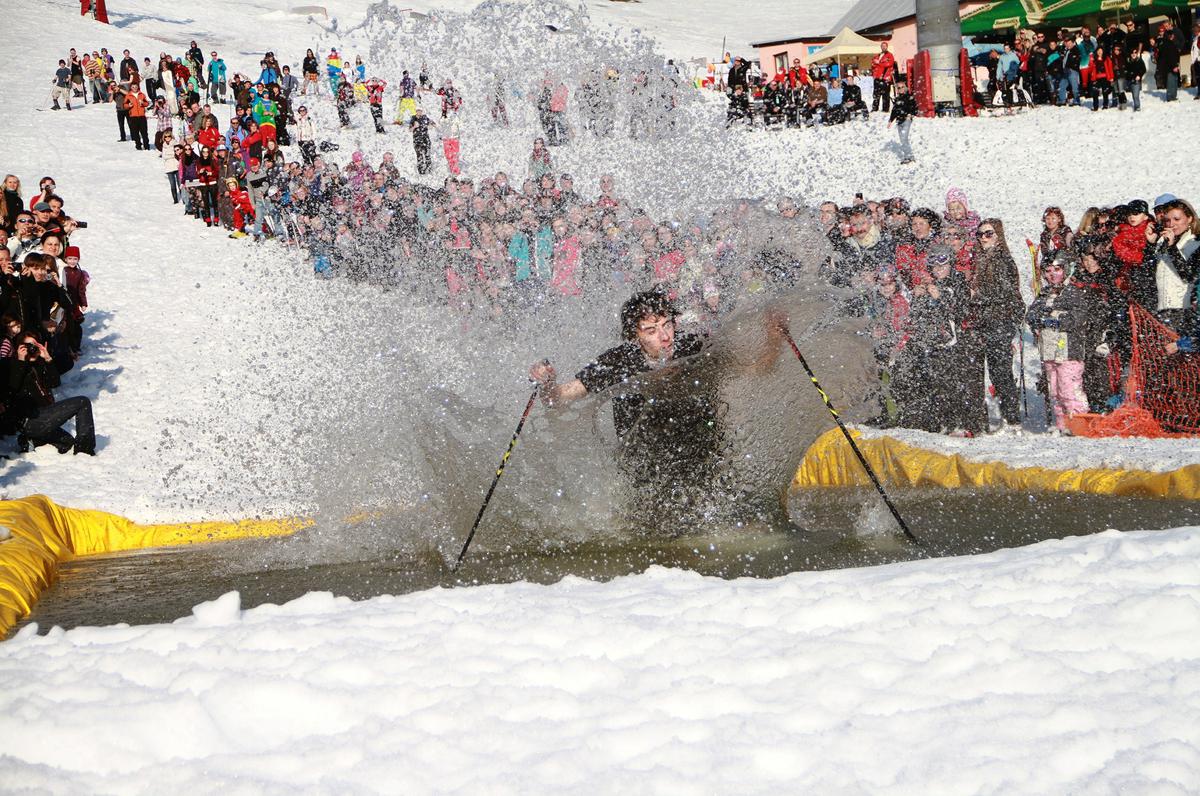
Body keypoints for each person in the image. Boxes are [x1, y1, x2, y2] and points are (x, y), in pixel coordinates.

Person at [528, 291, 776, 523]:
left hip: (700, 452)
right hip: (645, 460)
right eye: (651, 331)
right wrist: (547, 383)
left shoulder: (696, 347)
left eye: (667, 325)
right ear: (634, 337)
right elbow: (557, 400)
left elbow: (756, 369)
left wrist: (774, 336)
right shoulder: (619, 361)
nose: (665, 337)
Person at [966, 218, 1025, 432]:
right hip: (987, 320)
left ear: (998, 235)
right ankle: (1006, 416)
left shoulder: (1002, 259)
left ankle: (1012, 419)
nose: (983, 238)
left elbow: (1006, 293)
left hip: (999, 320)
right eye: (980, 234)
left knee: (1001, 372)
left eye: (988, 233)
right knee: (996, 372)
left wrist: (977, 296)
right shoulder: (982, 258)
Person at [0, 333, 96, 455]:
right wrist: (20, 360)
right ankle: (85, 450)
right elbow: (12, 389)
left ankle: (32, 440)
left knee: (67, 442)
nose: (32, 349)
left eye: (35, 345)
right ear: (19, 346)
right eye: (28, 345)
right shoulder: (10, 364)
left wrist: (48, 359)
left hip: (43, 417)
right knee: (82, 402)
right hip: (28, 419)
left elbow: (54, 382)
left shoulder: (38, 364)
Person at [1026, 251, 1089, 433]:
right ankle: (1062, 424)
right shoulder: (1045, 293)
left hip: (1068, 349)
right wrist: (1040, 319)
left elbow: (1079, 316)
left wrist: (1057, 319)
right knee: (1054, 390)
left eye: (1057, 269)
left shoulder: (1073, 292)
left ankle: (1077, 424)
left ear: (1066, 270)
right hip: (1049, 349)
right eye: (1048, 271)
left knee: (1068, 388)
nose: (1052, 274)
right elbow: (1032, 314)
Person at [888, 81, 918, 165]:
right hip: (899, 121)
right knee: (903, 139)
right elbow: (894, 111)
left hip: (906, 120)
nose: (901, 89)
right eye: (899, 88)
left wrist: (910, 115)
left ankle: (908, 157)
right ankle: (910, 156)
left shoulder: (909, 97)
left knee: (904, 138)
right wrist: (890, 120)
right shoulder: (897, 99)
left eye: (902, 87)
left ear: (905, 88)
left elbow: (915, 109)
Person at [871, 43, 896, 112]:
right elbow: (873, 64)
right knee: (876, 94)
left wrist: (878, 63)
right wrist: (879, 63)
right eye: (882, 46)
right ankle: (875, 108)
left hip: (885, 77)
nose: (883, 47)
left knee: (885, 94)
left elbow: (889, 64)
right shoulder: (878, 55)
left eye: (885, 46)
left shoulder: (890, 55)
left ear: (887, 47)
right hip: (877, 77)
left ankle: (885, 109)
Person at [410, 107, 435, 175]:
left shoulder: (425, 118)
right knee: (419, 156)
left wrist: (430, 125)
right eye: (418, 110)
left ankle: (429, 169)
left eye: (420, 110)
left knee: (427, 155)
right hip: (417, 140)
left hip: (425, 139)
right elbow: (410, 129)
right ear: (416, 111)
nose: (419, 112)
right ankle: (421, 171)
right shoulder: (413, 118)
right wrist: (414, 126)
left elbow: (433, 124)